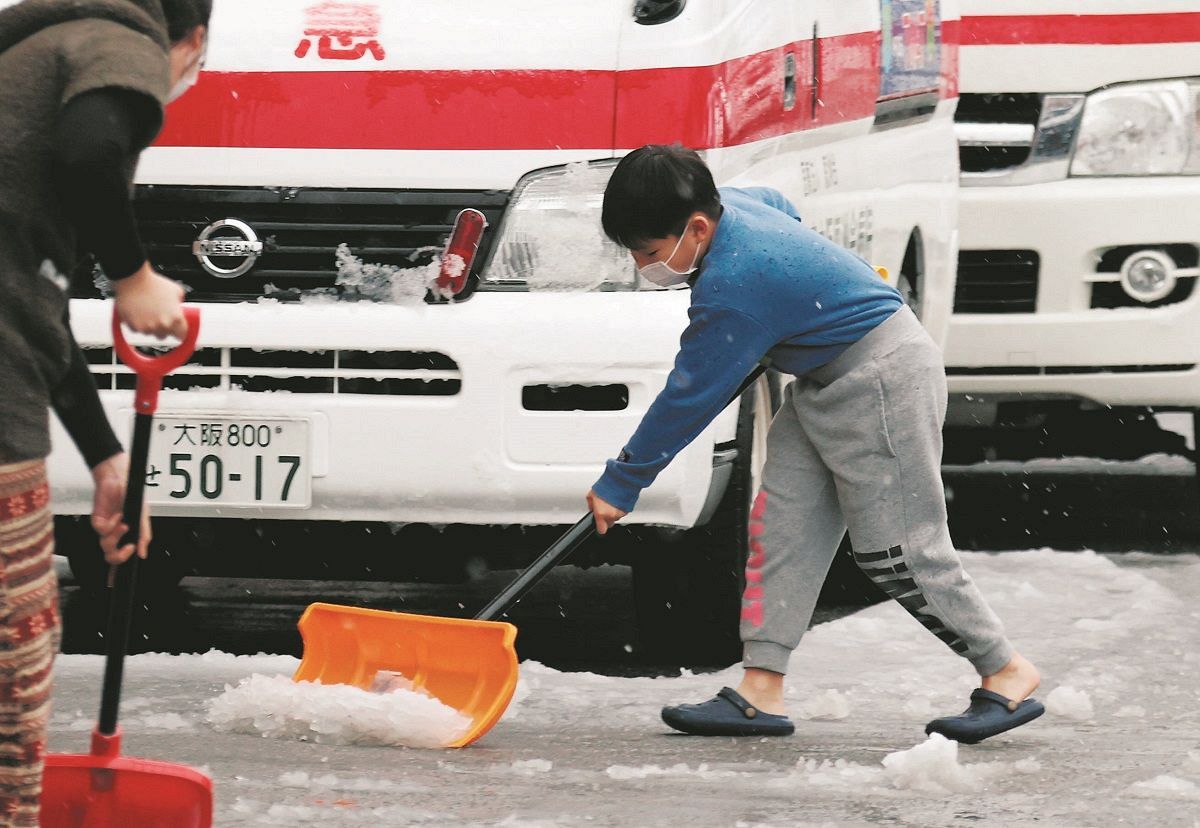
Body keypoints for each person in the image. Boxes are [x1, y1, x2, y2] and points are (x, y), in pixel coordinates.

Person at [586, 144, 1044, 743]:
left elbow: (690, 396)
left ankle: (1006, 671)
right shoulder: (738, 210)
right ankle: (759, 689)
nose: (644, 265)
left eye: (648, 252)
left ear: (697, 227)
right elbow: (781, 206)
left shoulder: (732, 287)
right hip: (824, 379)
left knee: (899, 551)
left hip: (883, 381)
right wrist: (800, 299)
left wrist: (624, 481)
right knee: (783, 528)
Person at [0, 0, 209, 822]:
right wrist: (133, 276)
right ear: (192, 40)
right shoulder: (118, 41)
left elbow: (37, 312)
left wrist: (106, 462)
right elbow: (94, 148)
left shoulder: (28, 63)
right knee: (16, 656)